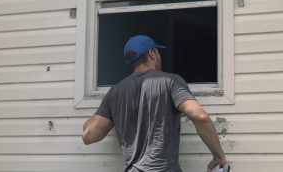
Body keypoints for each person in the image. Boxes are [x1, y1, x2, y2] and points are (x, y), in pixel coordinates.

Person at [82, 35, 227, 172]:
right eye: (158, 52)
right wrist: (218, 156)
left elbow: (89, 136)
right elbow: (201, 117)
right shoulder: (171, 81)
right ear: (151, 53)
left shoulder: (115, 92)